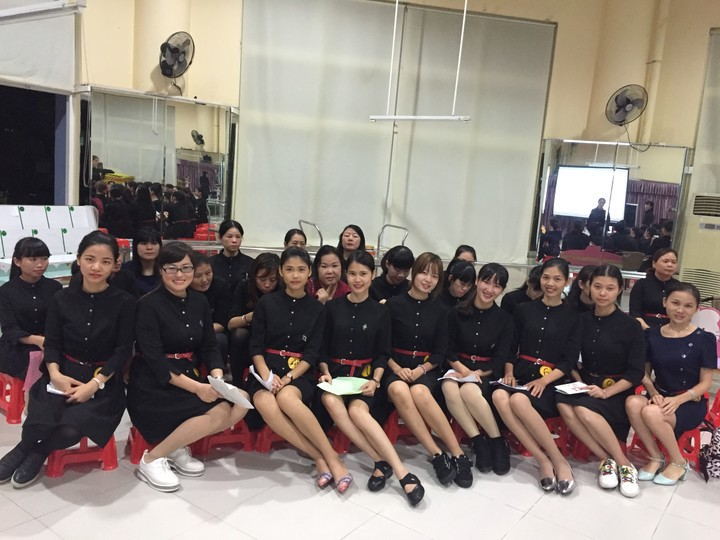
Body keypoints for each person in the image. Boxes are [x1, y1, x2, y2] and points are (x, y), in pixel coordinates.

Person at [0, 231, 135, 488]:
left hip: (102, 381)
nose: (96, 267)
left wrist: (94, 385)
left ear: (115, 264)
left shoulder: (125, 303)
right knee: (41, 417)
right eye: (90, 259)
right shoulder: (60, 298)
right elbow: (53, 343)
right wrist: (55, 374)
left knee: (70, 428)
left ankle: (31, 451)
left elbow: (122, 351)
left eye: (105, 261)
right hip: (62, 371)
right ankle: (26, 449)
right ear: (79, 259)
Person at [128, 242, 249, 492]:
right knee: (219, 413)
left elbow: (209, 346)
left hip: (189, 375)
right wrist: (198, 388)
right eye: (172, 268)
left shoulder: (199, 302)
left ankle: (173, 448)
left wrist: (217, 376)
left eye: (186, 268)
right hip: (153, 384)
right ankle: (151, 459)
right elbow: (155, 360)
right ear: (161, 270)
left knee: (241, 401)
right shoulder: (147, 305)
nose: (180, 274)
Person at [318, 250, 424, 505]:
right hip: (335, 377)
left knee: (358, 412)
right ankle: (379, 460)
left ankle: (401, 472)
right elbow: (321, 348)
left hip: (364, 377)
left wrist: (375, 380)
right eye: (352, 273)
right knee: (330, 401)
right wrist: (325, 372)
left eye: (363, 274)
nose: (357, 279)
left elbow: (383, 353)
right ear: (346, 274)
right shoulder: (332, 308)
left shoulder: (380, 311)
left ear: (372, 275)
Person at [249, 247, 352, 492]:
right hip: (265, 370)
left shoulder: (317, 309)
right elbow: (256, 347)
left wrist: (288, 378)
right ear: (281, 272)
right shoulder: (266, 303)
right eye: (289, 269)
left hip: (299, 372)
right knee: (265, 401)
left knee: (287, 397)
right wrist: (267, 376)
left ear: (309, 273)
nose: (295, 275)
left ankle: (331, 458)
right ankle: (321, 457)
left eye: (301, 270)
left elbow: (312, 353)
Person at [385, 252, 473, 488]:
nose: (428, 279)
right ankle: (436, 454)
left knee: (420, 392)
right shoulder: (393, 305)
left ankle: (458, 454)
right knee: (399, 390)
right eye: (424, 272)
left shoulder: (442, 310)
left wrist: (420, 369)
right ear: (414, 273)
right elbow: (383, 348)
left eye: (434, 276)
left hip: (426, 369)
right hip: (395, 368)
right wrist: (398, 368)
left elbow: (439, 352)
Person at [556, 264, 645, 498]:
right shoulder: (582, 320)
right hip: (586, 385)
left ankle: (624, 463)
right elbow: (570, 358)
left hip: (616, 391)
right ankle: (606, 459)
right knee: (563, 402)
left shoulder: (631, 326)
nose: (603, 293)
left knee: (583, 410)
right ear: (588, 287)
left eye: (609, 288)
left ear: (620, 290)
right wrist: (580, 382)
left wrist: (606, 392)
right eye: (597, 286)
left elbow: (635, 372)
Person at [492, 258, 579, 495]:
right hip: (520, 374)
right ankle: (542, 460)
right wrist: (509, 372)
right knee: (499, 395)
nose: (550, 283)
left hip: (551, 381)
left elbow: (568, 360)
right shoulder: (524, 310)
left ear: (567, 281)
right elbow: (511, 347)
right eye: (546, 278)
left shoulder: (573, 316)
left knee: (519, 400)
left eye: (557, 279)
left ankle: (558, 460)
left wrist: (544, 380)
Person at [626, 282, 716, 485]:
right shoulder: (651, 334)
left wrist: (677, 400)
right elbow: (643, 372)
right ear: (665, 302)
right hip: (660, 394)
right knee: (632, 402)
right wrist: (653, 392)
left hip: (690, 401)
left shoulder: (704, 339)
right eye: (675, 303)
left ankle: (678, 462)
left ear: (696, 309)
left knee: (651, 412)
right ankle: (655, 456)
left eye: (688, 306)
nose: (680, 310)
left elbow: (705, 384)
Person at [442, 263, 513, 475]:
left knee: (469, 390)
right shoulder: (456, 312)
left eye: (496, 286)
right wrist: (463, 370)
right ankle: (479, 441)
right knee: (448, 386)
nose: (489, 289)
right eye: (486, 282)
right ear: (477, 281)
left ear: (502, 290)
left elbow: (500, 357)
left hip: (486, 373)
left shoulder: (504, 319)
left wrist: (478, 374)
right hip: (458, 367)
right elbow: (447, 348)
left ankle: (497, 440)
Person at [0, 238, 62, 391]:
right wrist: (37, 340)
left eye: (44, 258)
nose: (40, 264)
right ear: (17, 261)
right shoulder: (6, 291)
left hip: (50, 343)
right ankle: (30, 398)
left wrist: (49, 341)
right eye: (33, 259)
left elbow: (60, 321)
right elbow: (9, 329)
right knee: (32, 361)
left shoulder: (55, 287)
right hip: (18, 347)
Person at [226, 253, 281, 385]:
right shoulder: (244, 287)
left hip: (273, 336)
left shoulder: (282, 290)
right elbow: (230, 323)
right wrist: (249, 317)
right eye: (262, 279)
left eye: (272, 280)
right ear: (254, 276)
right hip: (249, 333)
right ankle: (237, 382)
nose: (267, 284)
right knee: (239, 335)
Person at [189, 252, 232, 363]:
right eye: (198, 276)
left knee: (220, 339)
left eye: (208, 273)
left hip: (212, 332)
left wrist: (199, 333)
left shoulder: (220, 286)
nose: (204, 279)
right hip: (186, 334)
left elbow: (222, 323)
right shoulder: (182, 290)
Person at [629, 248, 679, 330]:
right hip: (644, 328)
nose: (670, 265)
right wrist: (649, 331)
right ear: (654, 264)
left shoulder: (679, 287)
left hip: (672, 330)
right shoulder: (641, 284)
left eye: (673, 262)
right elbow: (635, 314)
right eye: (665, 261)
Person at [210, 220, 254, 293]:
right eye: (229, 236)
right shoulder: (210, 263)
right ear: (220, 237)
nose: (234, 240)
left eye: (238, 237)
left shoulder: (251, 263)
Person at [121, 227, 162, 297]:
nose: (149, 247)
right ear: (135, 246)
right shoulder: (124, 271)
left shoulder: (167, 271)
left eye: (154, 243)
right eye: (144, 243)